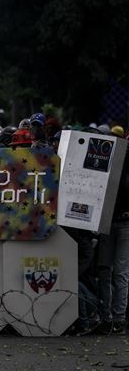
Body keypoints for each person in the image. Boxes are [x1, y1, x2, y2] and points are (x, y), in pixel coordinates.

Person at [97, 128, 129, 334]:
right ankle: (110, 317)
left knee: (117, 272)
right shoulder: (106, 165)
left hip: (120, 223)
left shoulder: (110, 164)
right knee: (108, 271)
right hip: (109, 222)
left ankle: (115, 318)